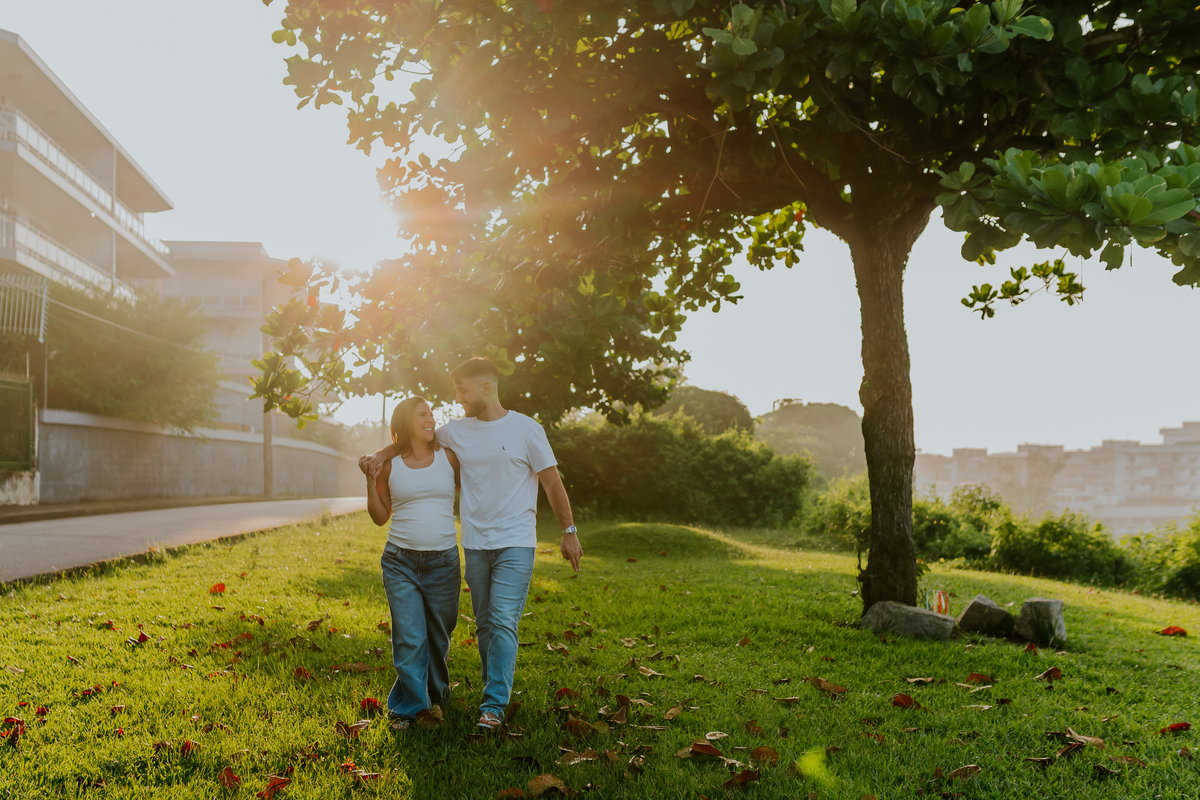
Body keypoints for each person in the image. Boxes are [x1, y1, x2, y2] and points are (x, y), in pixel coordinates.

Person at [363, 358, 581, 730]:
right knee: (484, 625)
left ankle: (493, 707)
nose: (458, 398)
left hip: (516, 542)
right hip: (476, 544)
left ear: (485, 387)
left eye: (463, 390)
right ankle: (465, 696)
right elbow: (412, 436)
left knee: (502, 621)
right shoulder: (455, 432)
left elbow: (551, 482)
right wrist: (381, 456)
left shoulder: (527, 429)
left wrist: (569, 531)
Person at [363, 395, 462, 731]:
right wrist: (369, 481)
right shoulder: (391, 466)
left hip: (444, 561)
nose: (431, 419)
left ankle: (436, 692)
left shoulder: (449, 457)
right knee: (409, 637)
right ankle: (411, 709)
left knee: (439, 635)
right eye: (422, 415)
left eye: (432, 413)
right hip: (400, 561)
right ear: (407, 423)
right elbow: (380, 517)